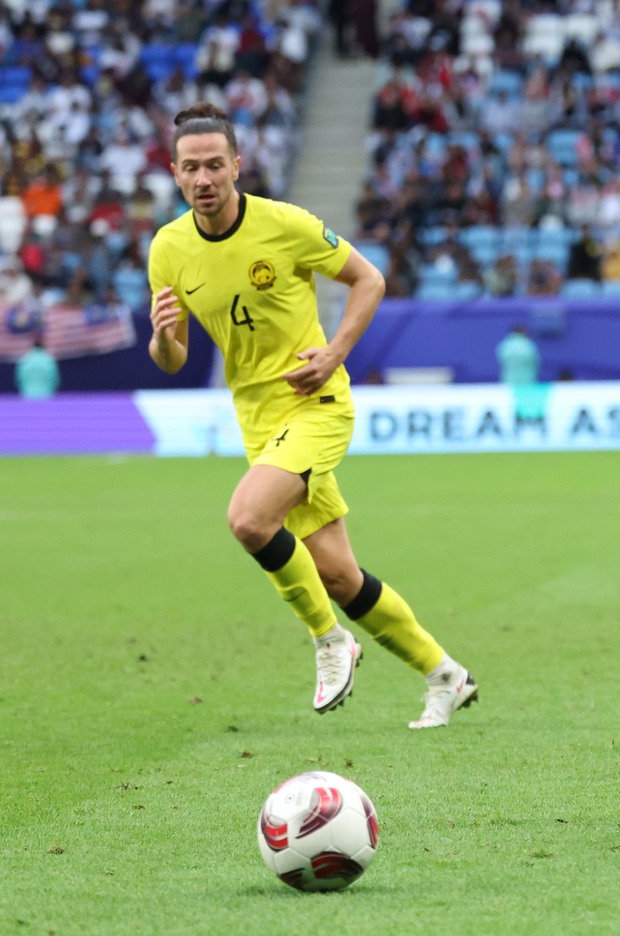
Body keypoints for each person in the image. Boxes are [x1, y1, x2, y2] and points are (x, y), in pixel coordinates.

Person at [147, 103, 477, 728]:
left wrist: (333, 355)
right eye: (191, 168)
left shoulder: (285, 224)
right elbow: (172, 358)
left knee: (248, 519)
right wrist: (163, 338)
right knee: (339, 575)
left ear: (237, 165)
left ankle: (330, 642)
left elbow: (369, 279)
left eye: (215, 164)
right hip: (258, 422)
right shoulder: (168, 249)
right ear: (175, 173)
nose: (204, 178)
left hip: (316, 403)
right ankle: (445, 676)